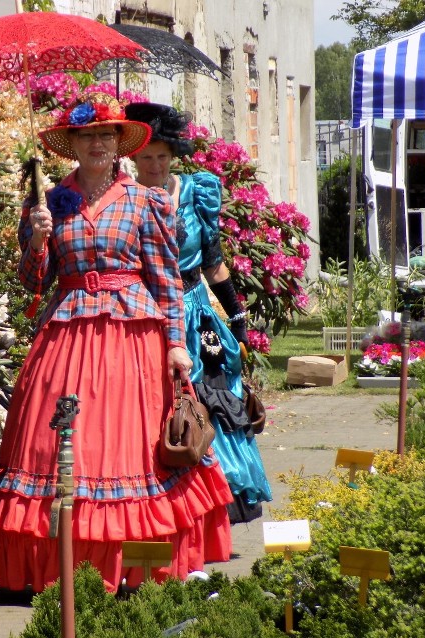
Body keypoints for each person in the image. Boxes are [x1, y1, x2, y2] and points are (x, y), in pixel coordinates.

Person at [0, 93, 233, 593]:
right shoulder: (46, 203)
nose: (97, 144)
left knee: (128, 453)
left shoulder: (147, 201)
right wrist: (36, 239)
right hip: (67, 339)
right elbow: (33, 282)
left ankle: (139, 567)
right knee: (66, 449)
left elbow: (166, 281)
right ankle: (62, 570)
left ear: (119, 144)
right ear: (71, 143)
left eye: (107, 135)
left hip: (132, 342)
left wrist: (176, 343)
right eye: (87, 135)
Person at [125, 102, 272, 524]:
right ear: (134, 158)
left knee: (209, 405)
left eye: (162, 157)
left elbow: (213, 262)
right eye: (146, 157)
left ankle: (218, 505)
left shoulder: (196, 192)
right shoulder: (125, 198)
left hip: (194, 314)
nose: (154, 165)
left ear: (174, 156)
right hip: (144, 314)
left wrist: (238, 318)